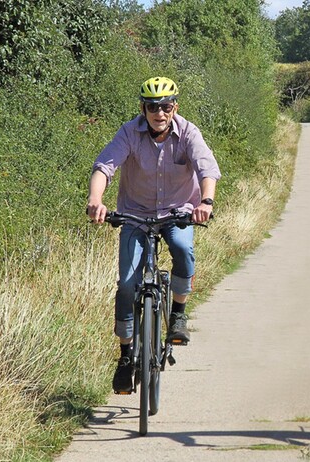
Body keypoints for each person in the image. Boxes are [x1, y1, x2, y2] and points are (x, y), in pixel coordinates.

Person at [86, 76, 221, 394]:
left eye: (166, 106)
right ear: (143, 108)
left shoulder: (188, 133)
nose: (159, 113)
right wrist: (95, 200)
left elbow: (207, 169)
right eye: (152, 107)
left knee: (182, 250)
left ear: (175, 106)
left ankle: (177, 315)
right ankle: (124, 358)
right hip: (134, 216)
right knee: (127, 286)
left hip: (177, 215)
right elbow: (104, 167)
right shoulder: (129, 132)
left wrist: (205, 202)